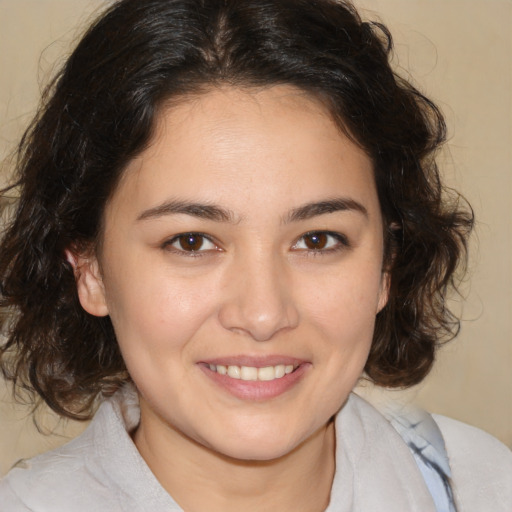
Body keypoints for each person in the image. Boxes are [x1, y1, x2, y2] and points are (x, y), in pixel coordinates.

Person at [0, 0, 510, 510]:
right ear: (90, 270)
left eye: (317, 240)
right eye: (191, 242)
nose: (264, 314)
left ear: (386, 263)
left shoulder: (486, 487)